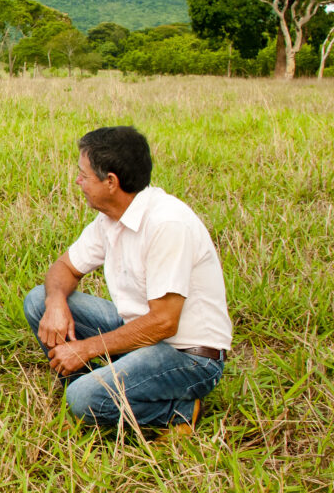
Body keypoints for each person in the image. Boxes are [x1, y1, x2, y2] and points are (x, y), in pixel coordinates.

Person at [23, 126, 231, 434]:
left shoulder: (167, 224)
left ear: (111, 182)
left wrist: (88, 348)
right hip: (138, 333)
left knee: (83, 400)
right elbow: (64, 267)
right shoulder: (110, 217)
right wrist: (55, 304)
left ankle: (179, 410)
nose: (77, 182)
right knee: (38, 300)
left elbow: (164, 323)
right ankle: (104, 386)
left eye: (84, 175)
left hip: (187, 355)